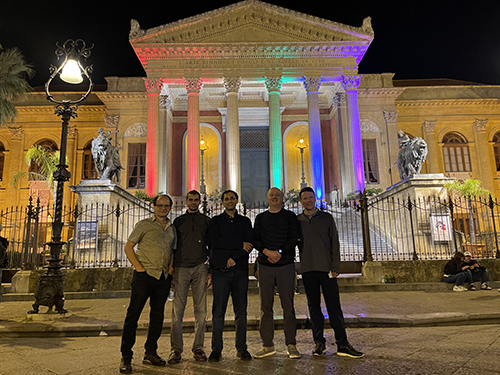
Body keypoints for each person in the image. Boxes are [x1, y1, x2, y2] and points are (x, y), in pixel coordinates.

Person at [297, 187, 364, 358]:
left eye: (311, 197)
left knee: (334, 307)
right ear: (301, 201)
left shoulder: (326, 218)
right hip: (308, 269)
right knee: (314, 308)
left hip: (326, 269)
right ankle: (319, 342)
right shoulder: (297, 221)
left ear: (315, 199)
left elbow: (335, 242)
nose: (309, 200)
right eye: (305, 198)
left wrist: (336, 267)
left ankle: (342, 343)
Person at [119, 194, 176, 374]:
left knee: (157, 317)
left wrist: (170, 269)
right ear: (153, 206)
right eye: (160, 205)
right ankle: (126, 357)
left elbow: (172, 250)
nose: (163, 208)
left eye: (166, 206)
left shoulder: (172, 228)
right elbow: (129, 247)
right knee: (133, 316)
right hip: (144, 276)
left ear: (170, 208)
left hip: (162, 277)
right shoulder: (144, 224)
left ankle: (150, 352)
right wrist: (139, 268)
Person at [253, 187, 301, 359]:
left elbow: (294, 237)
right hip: (265, 265)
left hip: (285, 265)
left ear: (282, 199)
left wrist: (279, 252)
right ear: (267, 199)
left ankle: (291, 345)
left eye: (277, 195)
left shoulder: (290, 217)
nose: (274, 197)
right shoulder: (260, 218)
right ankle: (267, 345)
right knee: (265, 307)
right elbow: (256, 239)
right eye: (271, 195)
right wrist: (267, 252)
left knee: (288, 306)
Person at [207, 190, 254, 362]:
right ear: (222, 202)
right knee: (218, 312)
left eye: (232, 198)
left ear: (236, 200)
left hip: (240, 270)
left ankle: (241, 348)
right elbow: (215, 242)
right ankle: (216, 349)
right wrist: (238, 245)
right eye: (226, 199)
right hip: (220, 271)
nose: (229, 201)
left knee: (241, 312)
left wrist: (233, 257)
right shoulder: (215, 222)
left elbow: (249, 244)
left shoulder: (245, 221)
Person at [168, 190, 211, 364]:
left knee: (201, 310)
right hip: (180, 268)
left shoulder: (207, 222)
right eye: (190, 200)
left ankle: (198, 347)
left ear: (200, 202)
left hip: (201, 267)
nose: (193, 202)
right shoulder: (178, 222)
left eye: (196, 200)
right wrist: (171, 268)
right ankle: (176, 349)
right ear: (186, 201)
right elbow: (172, 246)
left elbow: (211, 246)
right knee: (177, 311)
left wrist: (210, 270)